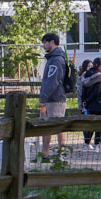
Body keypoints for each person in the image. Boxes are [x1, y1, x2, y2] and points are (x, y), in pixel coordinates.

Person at [35, 33, 70, 161]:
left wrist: (42, 98)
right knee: (46, 126)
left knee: (58, 126)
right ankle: (44, 154)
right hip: (48, 99)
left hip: (55, 99)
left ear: (52, 42)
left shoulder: (57, 59)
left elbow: (53, 81)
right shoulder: (51, 58)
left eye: (45, 42)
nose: (44, 45)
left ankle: (61, 155)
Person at [80, 58, 101, 150]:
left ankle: (87, 144)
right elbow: (97, 91)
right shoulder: (100, 77)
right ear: (98, 66)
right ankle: (97, 144)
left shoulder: (85, 75)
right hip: (99, 104)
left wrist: (85, 102)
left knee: (90, 124)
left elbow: (83, 91)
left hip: (89, 104)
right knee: (99, 125)